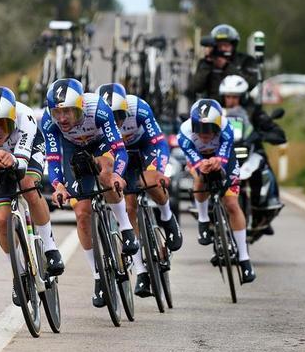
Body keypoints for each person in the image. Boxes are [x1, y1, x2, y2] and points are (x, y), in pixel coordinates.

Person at [41, 78, 140, 307]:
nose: (63, 119)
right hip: (71, 150)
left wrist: (117, 174)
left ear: (81, 106)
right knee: (83, 214)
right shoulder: (49, 121)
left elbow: (120, 151)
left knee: (105, 174)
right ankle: (98, 276)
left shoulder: (98, 108)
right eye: (58, 112)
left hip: (100, 145)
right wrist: (58, 185)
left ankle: (125, 229)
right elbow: (54, 159)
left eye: (69, 112)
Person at [0, 86, 65, 306]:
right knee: (2, 219)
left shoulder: (26, 118)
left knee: (28, 185)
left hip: (29, 151)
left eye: (1, 124)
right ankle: (18, 274)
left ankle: (50, 249)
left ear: (11, 119)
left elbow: (20, 162)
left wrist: (12, 159)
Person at [97, 83, 182, 298]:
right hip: (120, 153)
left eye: (119, 115)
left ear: (126, 109)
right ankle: (141, 271)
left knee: (152, 181)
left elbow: (159, 141)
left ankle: (167, 217)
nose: (115, 120)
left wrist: (159, 170)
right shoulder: (98, 119)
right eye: (111, 115)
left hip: (146, 147)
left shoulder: (140, 108)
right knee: (129, 206)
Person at [178, 98, 256, 284]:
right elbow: (195, 162)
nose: (205, 135)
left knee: (231, 203)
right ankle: (204, 221)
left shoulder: (227, 128)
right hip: (199, 158)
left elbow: (224, 154)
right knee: (199, 178)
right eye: (200, 130)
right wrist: (202, 165)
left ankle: (244, 260)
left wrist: (218, 162)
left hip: (224, 157)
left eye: (210, 130)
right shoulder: (184, 133)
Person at [218, 75, 286, 234]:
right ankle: (206, 210)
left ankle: (262, 208)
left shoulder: (254, 112)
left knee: (263, 166)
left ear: (243, 97)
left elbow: (277, 133)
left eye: (235, 96)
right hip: (224, 154)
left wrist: (263, 135)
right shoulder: (217, 113)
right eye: (228, 96)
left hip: (250, 152)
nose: (231, 100)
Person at [186, 24, 259, 103]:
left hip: (240, 108)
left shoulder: (245, 60)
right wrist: (207, 64)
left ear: (233, 46)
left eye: (226, 45)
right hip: (213, 107)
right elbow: (193, 89)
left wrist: (226, 66)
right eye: (220, 46)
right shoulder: (206, 63)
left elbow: (252, 83)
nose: (223, 49)